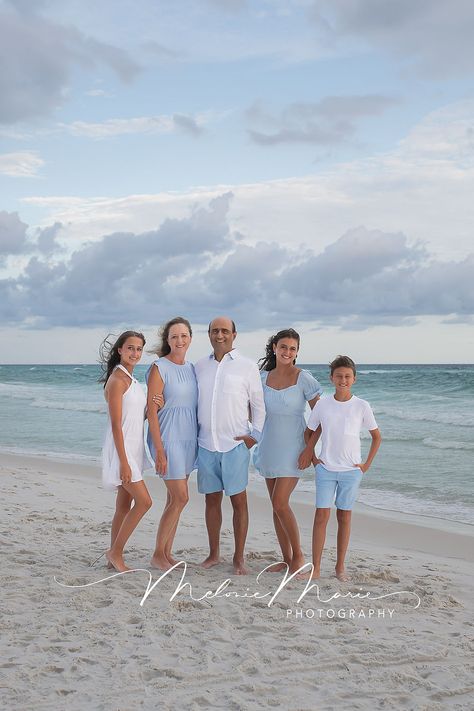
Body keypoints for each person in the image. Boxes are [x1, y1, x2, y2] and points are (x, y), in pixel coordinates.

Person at [298, 355, 382, 581]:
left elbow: (376, 437)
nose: (343, 380)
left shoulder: (362, 406)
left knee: (344, 517)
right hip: (326, 469)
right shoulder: (324, 404)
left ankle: (340, 567)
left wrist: (365, 466)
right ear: (331, 378)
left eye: (347, 376)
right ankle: (315, 568)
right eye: (339, 376)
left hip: (351, 471)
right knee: (321, 516)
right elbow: (309, 432)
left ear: (354, 379)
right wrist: (314, 458)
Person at [194, 316, 266, 575]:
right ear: (209, 334)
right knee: (211, 501)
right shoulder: (200, 366)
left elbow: (258, 404)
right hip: (206, 445)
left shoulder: (247, 367)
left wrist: (254, 437)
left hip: (235, 445)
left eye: (225, 331)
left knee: (239, 502)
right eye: (215, 331)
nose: (219, 335)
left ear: (234, 334)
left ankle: (238, 558)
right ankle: (213, 554)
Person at [253, 328, 322, 573]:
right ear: (274, 348)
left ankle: (299, 557)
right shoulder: (261, 377)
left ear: (297, 352)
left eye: (292, 349)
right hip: (269, 445)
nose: (287, 352)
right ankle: (286, 558)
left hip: (294, 447)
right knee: (275, 505)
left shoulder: (304, 378)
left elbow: (321, 417)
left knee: (281, 502)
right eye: (283, 347)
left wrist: (309, 451)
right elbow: (249, 409)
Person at [146, 317, 198, 571]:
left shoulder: (192, 369)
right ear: (167, 340)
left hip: (189, 438)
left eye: (184, 336)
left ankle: (167, 553)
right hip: (168, 438)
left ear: (190, 339)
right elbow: (151, 412)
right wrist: (159, 449)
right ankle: (158, 554)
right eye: (174, 336)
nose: (179, 340)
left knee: (173, 499)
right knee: (181, 497)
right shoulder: (159, 367)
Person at [100, 331, 153, 572]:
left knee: (124, 505)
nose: (135, 353)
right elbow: (115, 425)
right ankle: (116, 552)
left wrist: (152, 409)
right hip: (123, 451)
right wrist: (123, 462)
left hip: (133, 447)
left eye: (139, 349)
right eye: (130, 348)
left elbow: (133, 417)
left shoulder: (131, 379)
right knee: (144, 502)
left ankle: (113, 558)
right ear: (120, 350)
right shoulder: (117, 380)